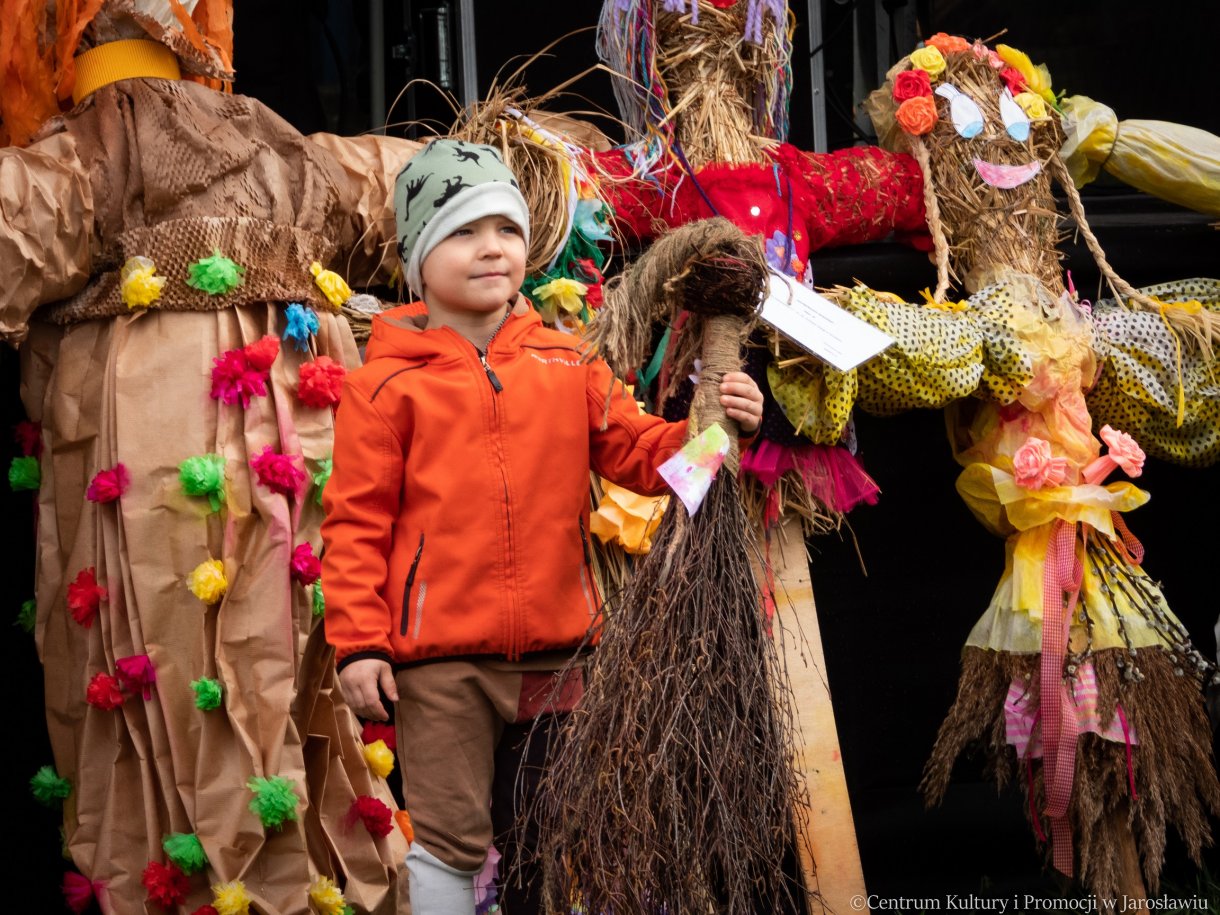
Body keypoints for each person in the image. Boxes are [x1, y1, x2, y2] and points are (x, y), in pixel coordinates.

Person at [1, 2, 417, 910]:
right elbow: (408, 182)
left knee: (226, 685)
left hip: (195, 473)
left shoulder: (78, 161)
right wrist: (545, 174)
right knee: (252, 684)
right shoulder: (277, 152)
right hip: (247, 470)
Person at [320, 138, 764, 914]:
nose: (491, 248)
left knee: (556, 834)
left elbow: (639, 455)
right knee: (450, 838)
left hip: (562, 659)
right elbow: (356, 521)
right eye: (462, 231)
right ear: (418, 256)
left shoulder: (568, 363)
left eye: (507, 230)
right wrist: (359, 642)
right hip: (441, 664)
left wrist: (716, 433)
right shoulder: (385, 385)